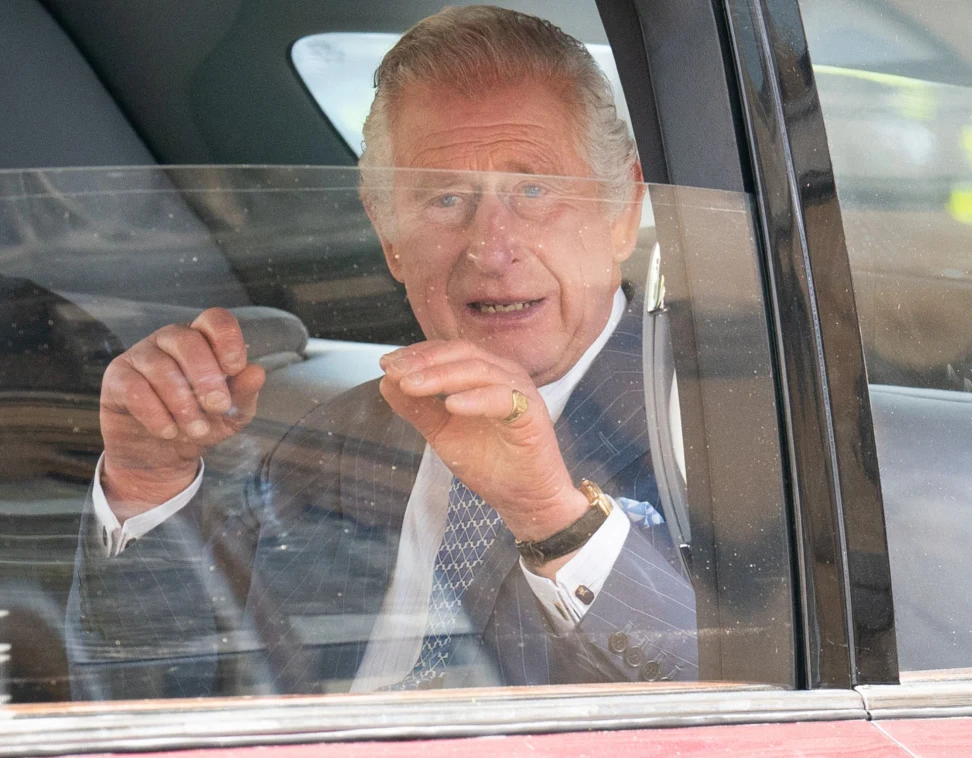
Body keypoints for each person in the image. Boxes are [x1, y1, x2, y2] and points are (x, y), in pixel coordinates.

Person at [67, 6, 696, 698]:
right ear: (389, 236)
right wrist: (147, 484)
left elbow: (748, 686)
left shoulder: (728, 415)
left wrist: (550, 515)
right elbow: (166, 695)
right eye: (446, 198)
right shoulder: (335, 442)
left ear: (622, 211)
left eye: (534, 189)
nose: (492, 248)